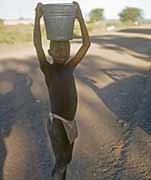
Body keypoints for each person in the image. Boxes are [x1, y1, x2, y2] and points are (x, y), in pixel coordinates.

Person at [33, 2, 90, 179]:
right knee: (61, 161)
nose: (61, 51)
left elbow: (86, 44)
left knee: (68, 159)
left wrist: (79, 18)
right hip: (57, 123)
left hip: (70, 122)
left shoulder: (70, 66)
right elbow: (37, 44)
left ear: (69, 50)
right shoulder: (48, 69)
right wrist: (37, 17)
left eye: (65, 48)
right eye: (57, 49)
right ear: (49, 51)